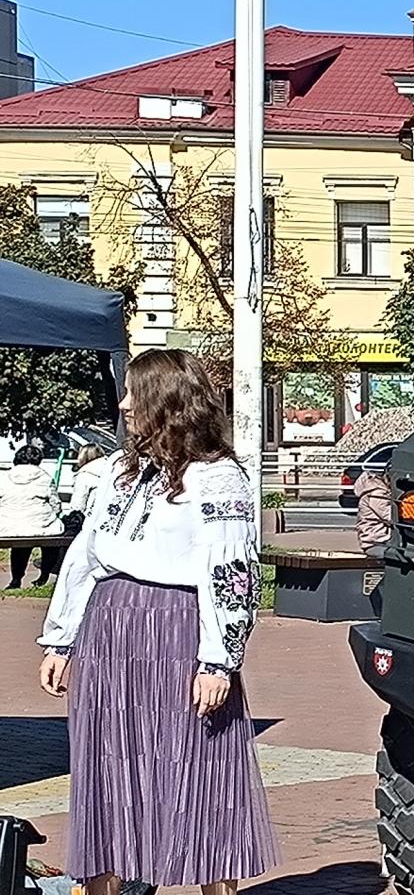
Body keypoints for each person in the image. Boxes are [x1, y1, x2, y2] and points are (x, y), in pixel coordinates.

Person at [35, 348, 280, 895]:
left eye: (134, 393)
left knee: (198, 765)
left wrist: (219, 659)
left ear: (168, 403)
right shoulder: (123, 474)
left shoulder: (217, 480)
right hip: (109, 630)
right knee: (106, 767)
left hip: (177, 631)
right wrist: (62, 638)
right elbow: (88, 555)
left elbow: (231, 572)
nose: (123, 405)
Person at [1, 444, 64, 589]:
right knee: (52, 538)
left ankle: (16, 579)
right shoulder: (45, 478)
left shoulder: (4, 477)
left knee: (20, 543)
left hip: (8, 526)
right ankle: (44, 574)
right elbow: (56, 505)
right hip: (41, 526)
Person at [353, 465, 392, 556]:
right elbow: (389, 516)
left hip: (378, 540)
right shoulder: (376, 494)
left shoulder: (373, 490)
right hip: (376, 541)